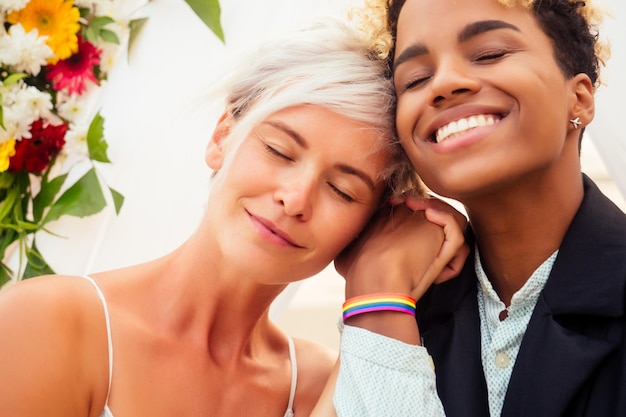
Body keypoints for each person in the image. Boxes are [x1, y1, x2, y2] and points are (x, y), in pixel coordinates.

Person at [0, 18, 467, 417]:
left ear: (367, 226)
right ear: (223, 135)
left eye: (342, 191)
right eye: (278, 150)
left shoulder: (323, 386)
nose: (295, 198)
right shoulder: (45, 324)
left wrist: (381, 285)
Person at [322, 0, 626, 416]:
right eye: (415, 79)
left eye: (490, 54)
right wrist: (378, 292)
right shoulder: (396, 305)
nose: (443, 84)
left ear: (579, 98)